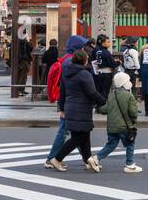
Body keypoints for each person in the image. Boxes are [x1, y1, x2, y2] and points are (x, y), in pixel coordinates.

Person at [48, 48, 104, 172]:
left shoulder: (67, 72)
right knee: (77, 138)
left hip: (70, 107)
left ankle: (87, 160)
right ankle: (57, 158)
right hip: (82, 108)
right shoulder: (84, 74)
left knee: (84, 135)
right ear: (84, 60)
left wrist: (62, 108)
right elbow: (92, 92)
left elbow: (62, 93)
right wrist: (103, 101)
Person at [44, 35, 90, 165]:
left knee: (77, 132)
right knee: (65, 131)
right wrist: (62, 106)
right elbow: (67, 85)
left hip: (68, 101)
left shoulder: (66, 60)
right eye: (82, 46)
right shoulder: (70, 62)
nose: (84, 49)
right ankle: (52, 158)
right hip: (71, 102)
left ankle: (87, 159)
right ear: (77, 48)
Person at [96, 71, 142, 172]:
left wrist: (98, 109)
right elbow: (133, 112)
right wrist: (133, 122)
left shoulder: (112, 94)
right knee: (130, 144)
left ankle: (96, 158)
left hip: (112, 126)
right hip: (125, 127)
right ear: (124, 83)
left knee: (111, 145)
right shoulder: (129, 96)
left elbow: (106, 109)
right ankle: (129, 164)